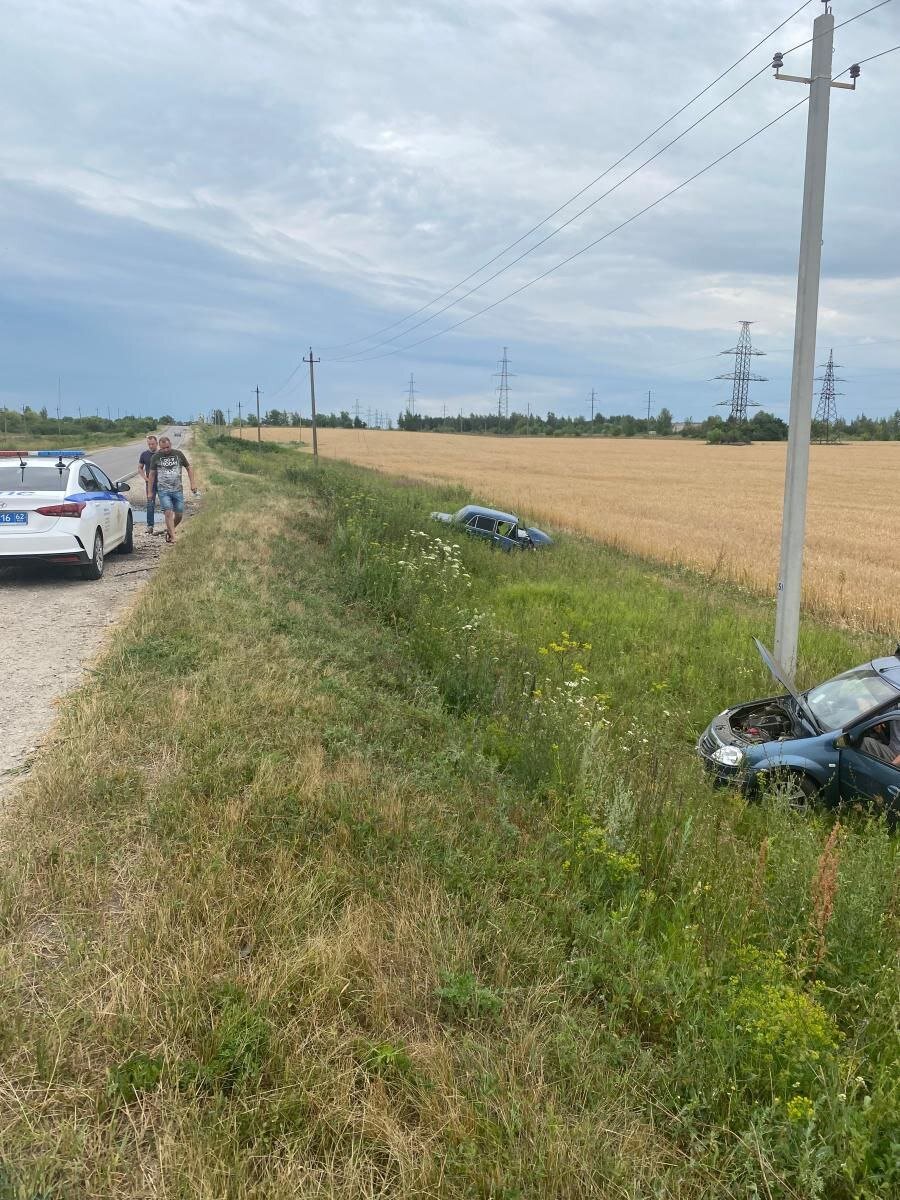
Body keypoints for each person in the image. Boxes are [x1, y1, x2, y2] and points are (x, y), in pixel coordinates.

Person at [148, 435, 198, 545]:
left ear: (170, 445)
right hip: (163, 490)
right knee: (168, 512)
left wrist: (193, 483)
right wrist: (150, 492)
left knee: (179, 515)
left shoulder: (178, 454)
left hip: (177, 489)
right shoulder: (156, 457)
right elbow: (151, 475)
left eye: (167, 447)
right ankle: (174, 537)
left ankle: (170, 531)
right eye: (163, 448)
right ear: (159, 447)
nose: (166, 450)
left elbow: (189, 468)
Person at [137, 434, 159, 534]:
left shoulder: (161, 453)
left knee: (167, 504)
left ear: (157, 443)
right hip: (150, 484)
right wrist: (145, 478)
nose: (151, 446)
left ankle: (170, 525)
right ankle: (150, 526)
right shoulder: (144, 455)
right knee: (150, 504)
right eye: (149, 444)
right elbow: (140, 468)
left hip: (163, 483)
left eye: (153, 444)